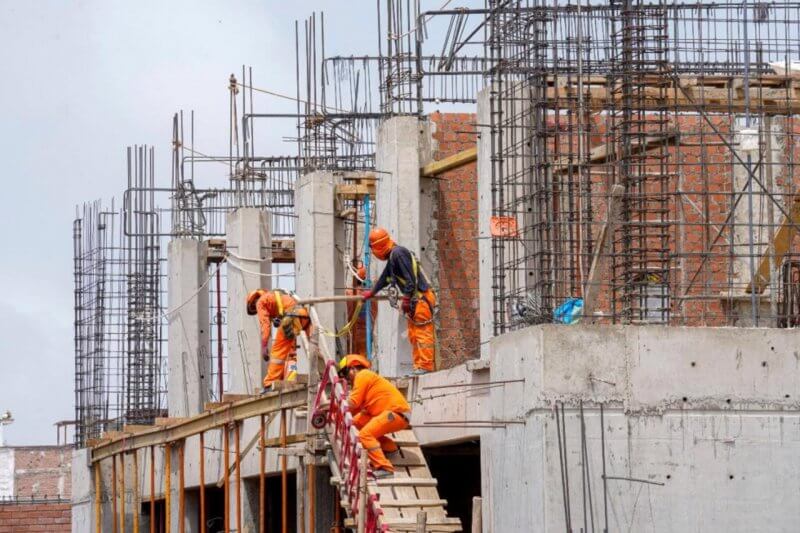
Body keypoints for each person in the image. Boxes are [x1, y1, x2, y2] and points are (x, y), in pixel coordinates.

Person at [361, 228, 436, 374]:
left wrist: (406, 298)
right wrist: (372, 292)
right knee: (414, 335)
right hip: (416, 300)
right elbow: (385, 278)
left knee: (422, 334)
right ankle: (419, 366)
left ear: (377, 247)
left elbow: (410, 279)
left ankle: (426, 366)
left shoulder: (398, 254)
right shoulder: (393, 257)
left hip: (421, 298)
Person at [338, 354, 410, 479]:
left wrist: (333, 405)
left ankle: (385, 468)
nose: (347, 379)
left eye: (346, 373)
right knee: (355, 423)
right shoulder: (366, 377)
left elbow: (353, 402)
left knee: (365, 435)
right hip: (390, 413)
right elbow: (358, 409)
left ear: (353, 367)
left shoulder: (363, 375)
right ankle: (389, 448)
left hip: (395, 413)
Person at [246, 289, 311, 389]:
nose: (257, 310)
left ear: (253, 301)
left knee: (277, 351)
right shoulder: (274, 295)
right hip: (304, 315)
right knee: (313, 346)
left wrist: (264, 345)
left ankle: (269, 382)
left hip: (291, 317)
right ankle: (324, 371)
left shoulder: (260, 302)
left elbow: (265, 325)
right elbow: (285, 305)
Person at [346, 265, 378, 355]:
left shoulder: (349, 294)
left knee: (353, 361)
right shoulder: (373, 296)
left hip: (353, 334)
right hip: (367, 335)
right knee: (364, 361)